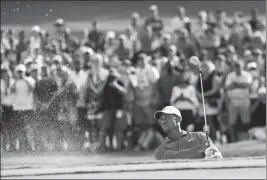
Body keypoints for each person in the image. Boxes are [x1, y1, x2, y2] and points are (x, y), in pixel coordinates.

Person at [154, 106, 223, 160]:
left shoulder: (200, 136)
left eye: (166, 118)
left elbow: (218, 158)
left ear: (178, 119)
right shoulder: (160, 151)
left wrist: (213, 156)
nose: (163, 122)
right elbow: (176, 157)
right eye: (161, 119)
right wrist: (199, 149)